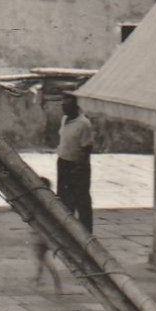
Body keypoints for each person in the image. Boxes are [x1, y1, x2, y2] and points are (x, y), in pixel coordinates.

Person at [56, 95, 95, 232]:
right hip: (63, 162)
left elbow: (87, 148)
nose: (63, 108)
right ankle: (68, 229)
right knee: (64, 197)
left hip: (77, 165)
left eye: (66, 106)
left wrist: (80, 167)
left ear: (75, 107)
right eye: (62, 105)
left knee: (81, 199)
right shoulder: (64, 119)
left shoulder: (84, 124)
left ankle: (86, 232)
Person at [30, 176, 65, 291]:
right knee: (41, 258)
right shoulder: (51, 199)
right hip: (46, 234)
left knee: (42, 258)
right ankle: (38, 278)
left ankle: (52, 280)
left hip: (40, 235)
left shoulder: (39, 200)